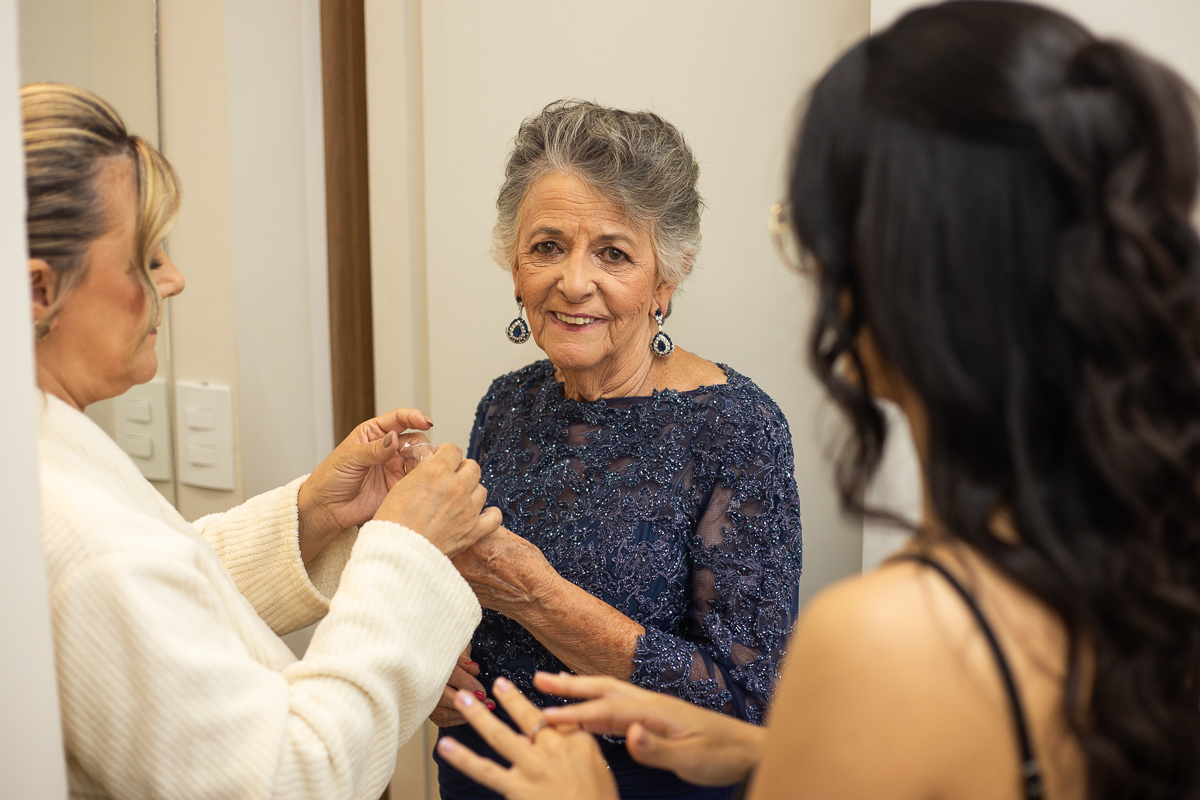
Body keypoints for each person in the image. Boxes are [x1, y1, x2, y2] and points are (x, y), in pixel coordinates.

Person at [433, 2, 1200, 799]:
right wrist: (748, 752)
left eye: (807, 230)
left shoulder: (880, 634)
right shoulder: (1146, 567)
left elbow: (762, 687)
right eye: (547, 247)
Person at [26, 82, 502, 800]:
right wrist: (405, 554)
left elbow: (158, 609)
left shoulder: (42, 446)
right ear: (37, 291)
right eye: (145, 258)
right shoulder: (76, 535)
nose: (175, 280)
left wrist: (314, 515)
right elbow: (292, 779)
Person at [431, 100, 804, 800]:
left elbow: (748, 709)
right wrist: (437, 665)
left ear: (665, 281)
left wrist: (540, 596)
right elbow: (471, 606)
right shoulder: (507, 404)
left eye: (613, 253)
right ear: (514, 268)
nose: (574, 282)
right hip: (483, 769)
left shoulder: (737, 427)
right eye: (547, 247)